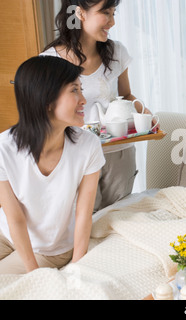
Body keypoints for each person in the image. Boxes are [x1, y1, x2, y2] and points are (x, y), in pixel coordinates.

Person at [41, 0, 158, 211]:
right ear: (80, 13)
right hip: (76, 155)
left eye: (114, 13)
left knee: (120, 216)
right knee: (84, 219)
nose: (112, 22)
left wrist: (148, 117)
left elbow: (126, 94)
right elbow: (46, 116)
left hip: (118, 151)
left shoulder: (116, 52)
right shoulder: (50, 61)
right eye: (106, 13)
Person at [0, 56, 105, 274]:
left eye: (81, 89)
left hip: (50, 248)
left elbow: (84, 213)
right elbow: (14, 217)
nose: (83, 99)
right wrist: (33, 271)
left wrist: (77, 264)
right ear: (46, 100)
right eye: (74, 90)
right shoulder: (4, 148)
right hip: (6, 233)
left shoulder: (88, 146)